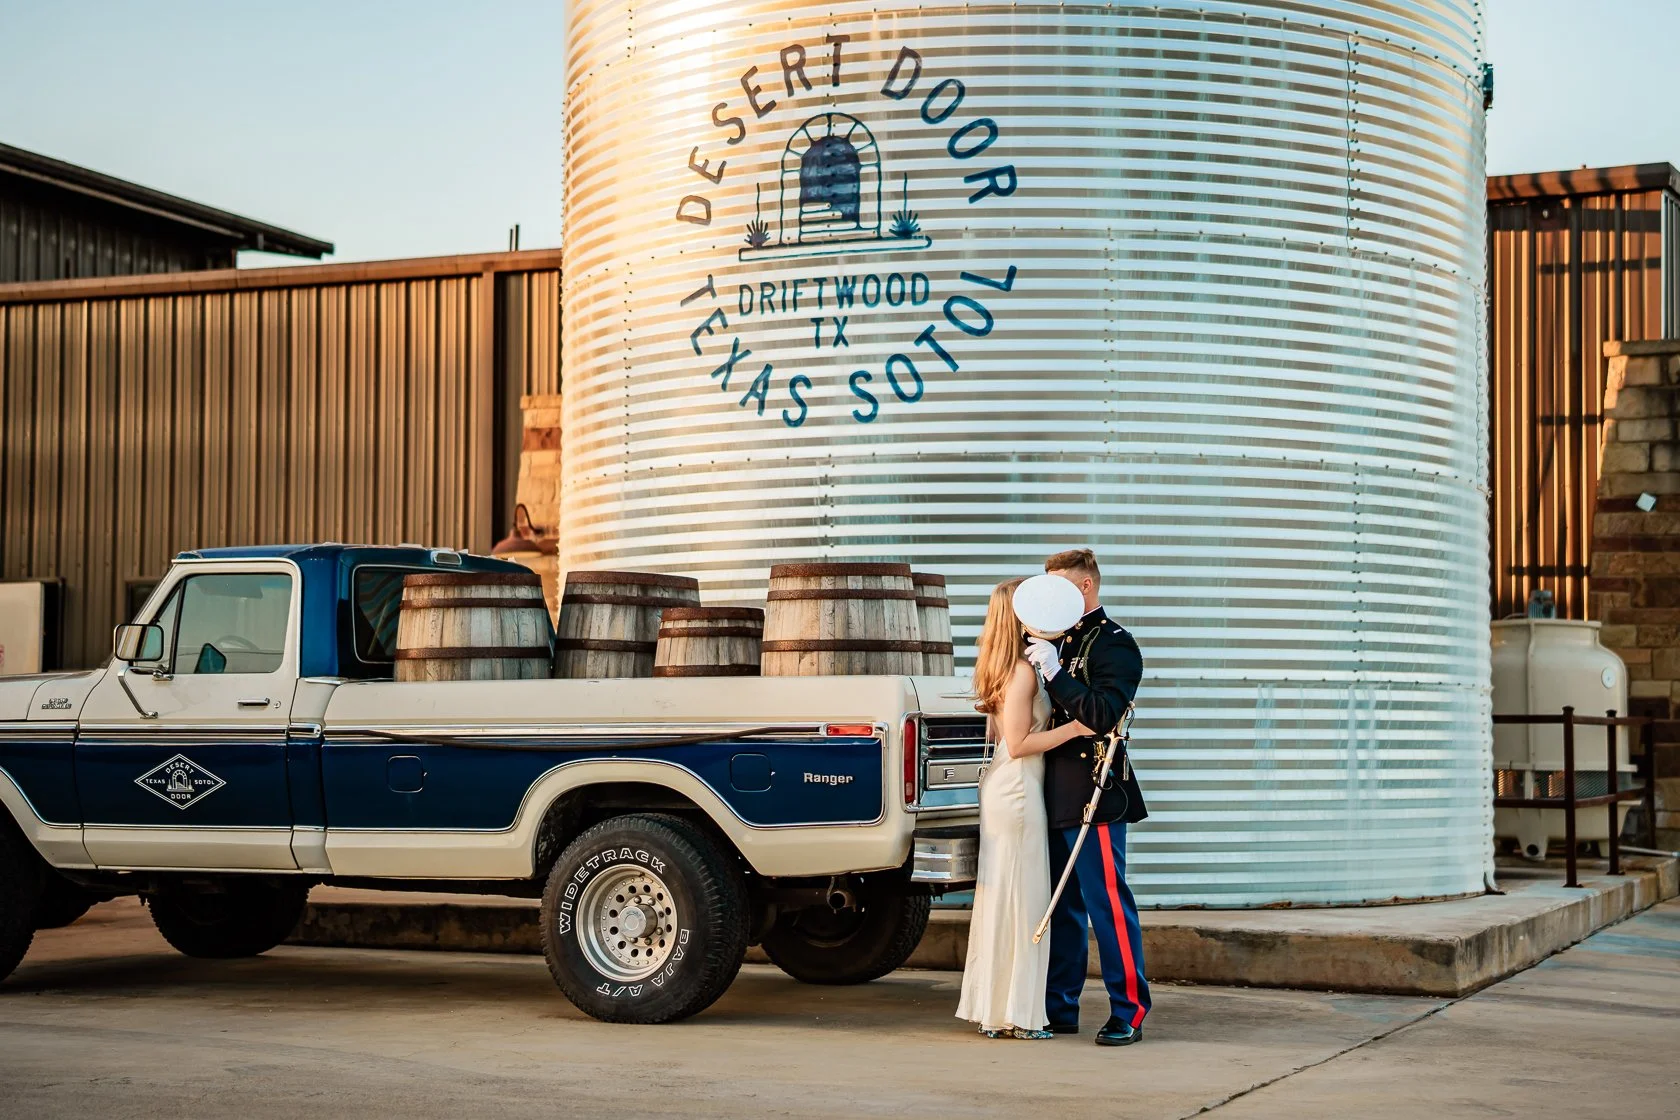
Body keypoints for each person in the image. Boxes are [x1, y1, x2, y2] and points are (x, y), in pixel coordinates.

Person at [956, 577, 1094, 1039]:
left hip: (1010, 789)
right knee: (1022, 899)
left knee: (1008, 898)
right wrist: (1076, 729)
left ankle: (998, 1010)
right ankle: (1014, 1013)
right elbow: (1017, 744)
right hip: (1016, 791)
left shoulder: (1006, 665)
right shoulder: (1019, 671)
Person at [1024, 548, 1151, 1047]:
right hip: (1052, 788)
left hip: (1094, 790)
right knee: (1063, 905)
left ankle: (1129, 1009)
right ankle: (1061, 1006)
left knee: (1107, 904)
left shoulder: (1115, 644)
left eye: (1058, 588)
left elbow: (1100, 714)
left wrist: (1056, 674)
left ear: (1085, 587)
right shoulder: (1054, 637)